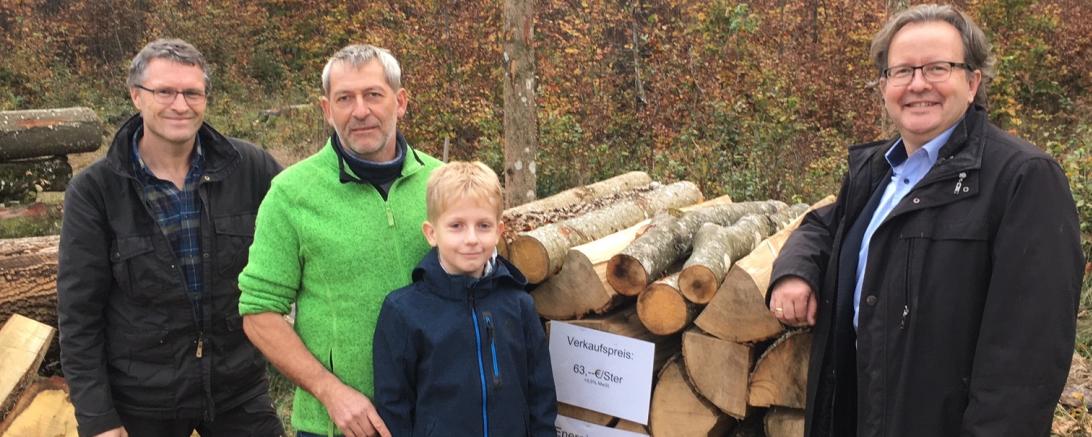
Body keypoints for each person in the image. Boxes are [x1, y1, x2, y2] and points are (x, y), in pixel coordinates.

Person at [767, 4, 1084, 437]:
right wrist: (796, 272)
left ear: (972, 82)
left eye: (937, 68)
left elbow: (1025, 366)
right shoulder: (879, 169)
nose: (918, 85)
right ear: (884, 86)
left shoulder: (1022, 180)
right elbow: (825, 225)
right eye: (901, 71)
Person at [57, 38, 284, 437]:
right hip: (141, 399)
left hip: (237, 388)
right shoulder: (96, 190)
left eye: (192, 92)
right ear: (136, 96)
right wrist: (97, 419)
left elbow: (308, 221)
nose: (180, 105)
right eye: (165, 91)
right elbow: (79, 315)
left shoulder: (250, 169)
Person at [238, 44, 442, 437]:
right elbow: (259, 314)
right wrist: (330, 392)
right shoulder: (291, 194)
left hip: (438, 414)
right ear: (327, 110)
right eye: (344, 98)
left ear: (400, 102)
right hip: (342, 426)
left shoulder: (442, 182)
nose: (360, 110)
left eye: (373, 95)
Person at [372, 161, 558, 437]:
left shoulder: (519, 304)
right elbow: (394, 406)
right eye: (456, 226)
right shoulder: (403, 311)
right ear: (431, 233)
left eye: (483, 225)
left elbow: (540, 394)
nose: (471, 239)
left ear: (498, 231)